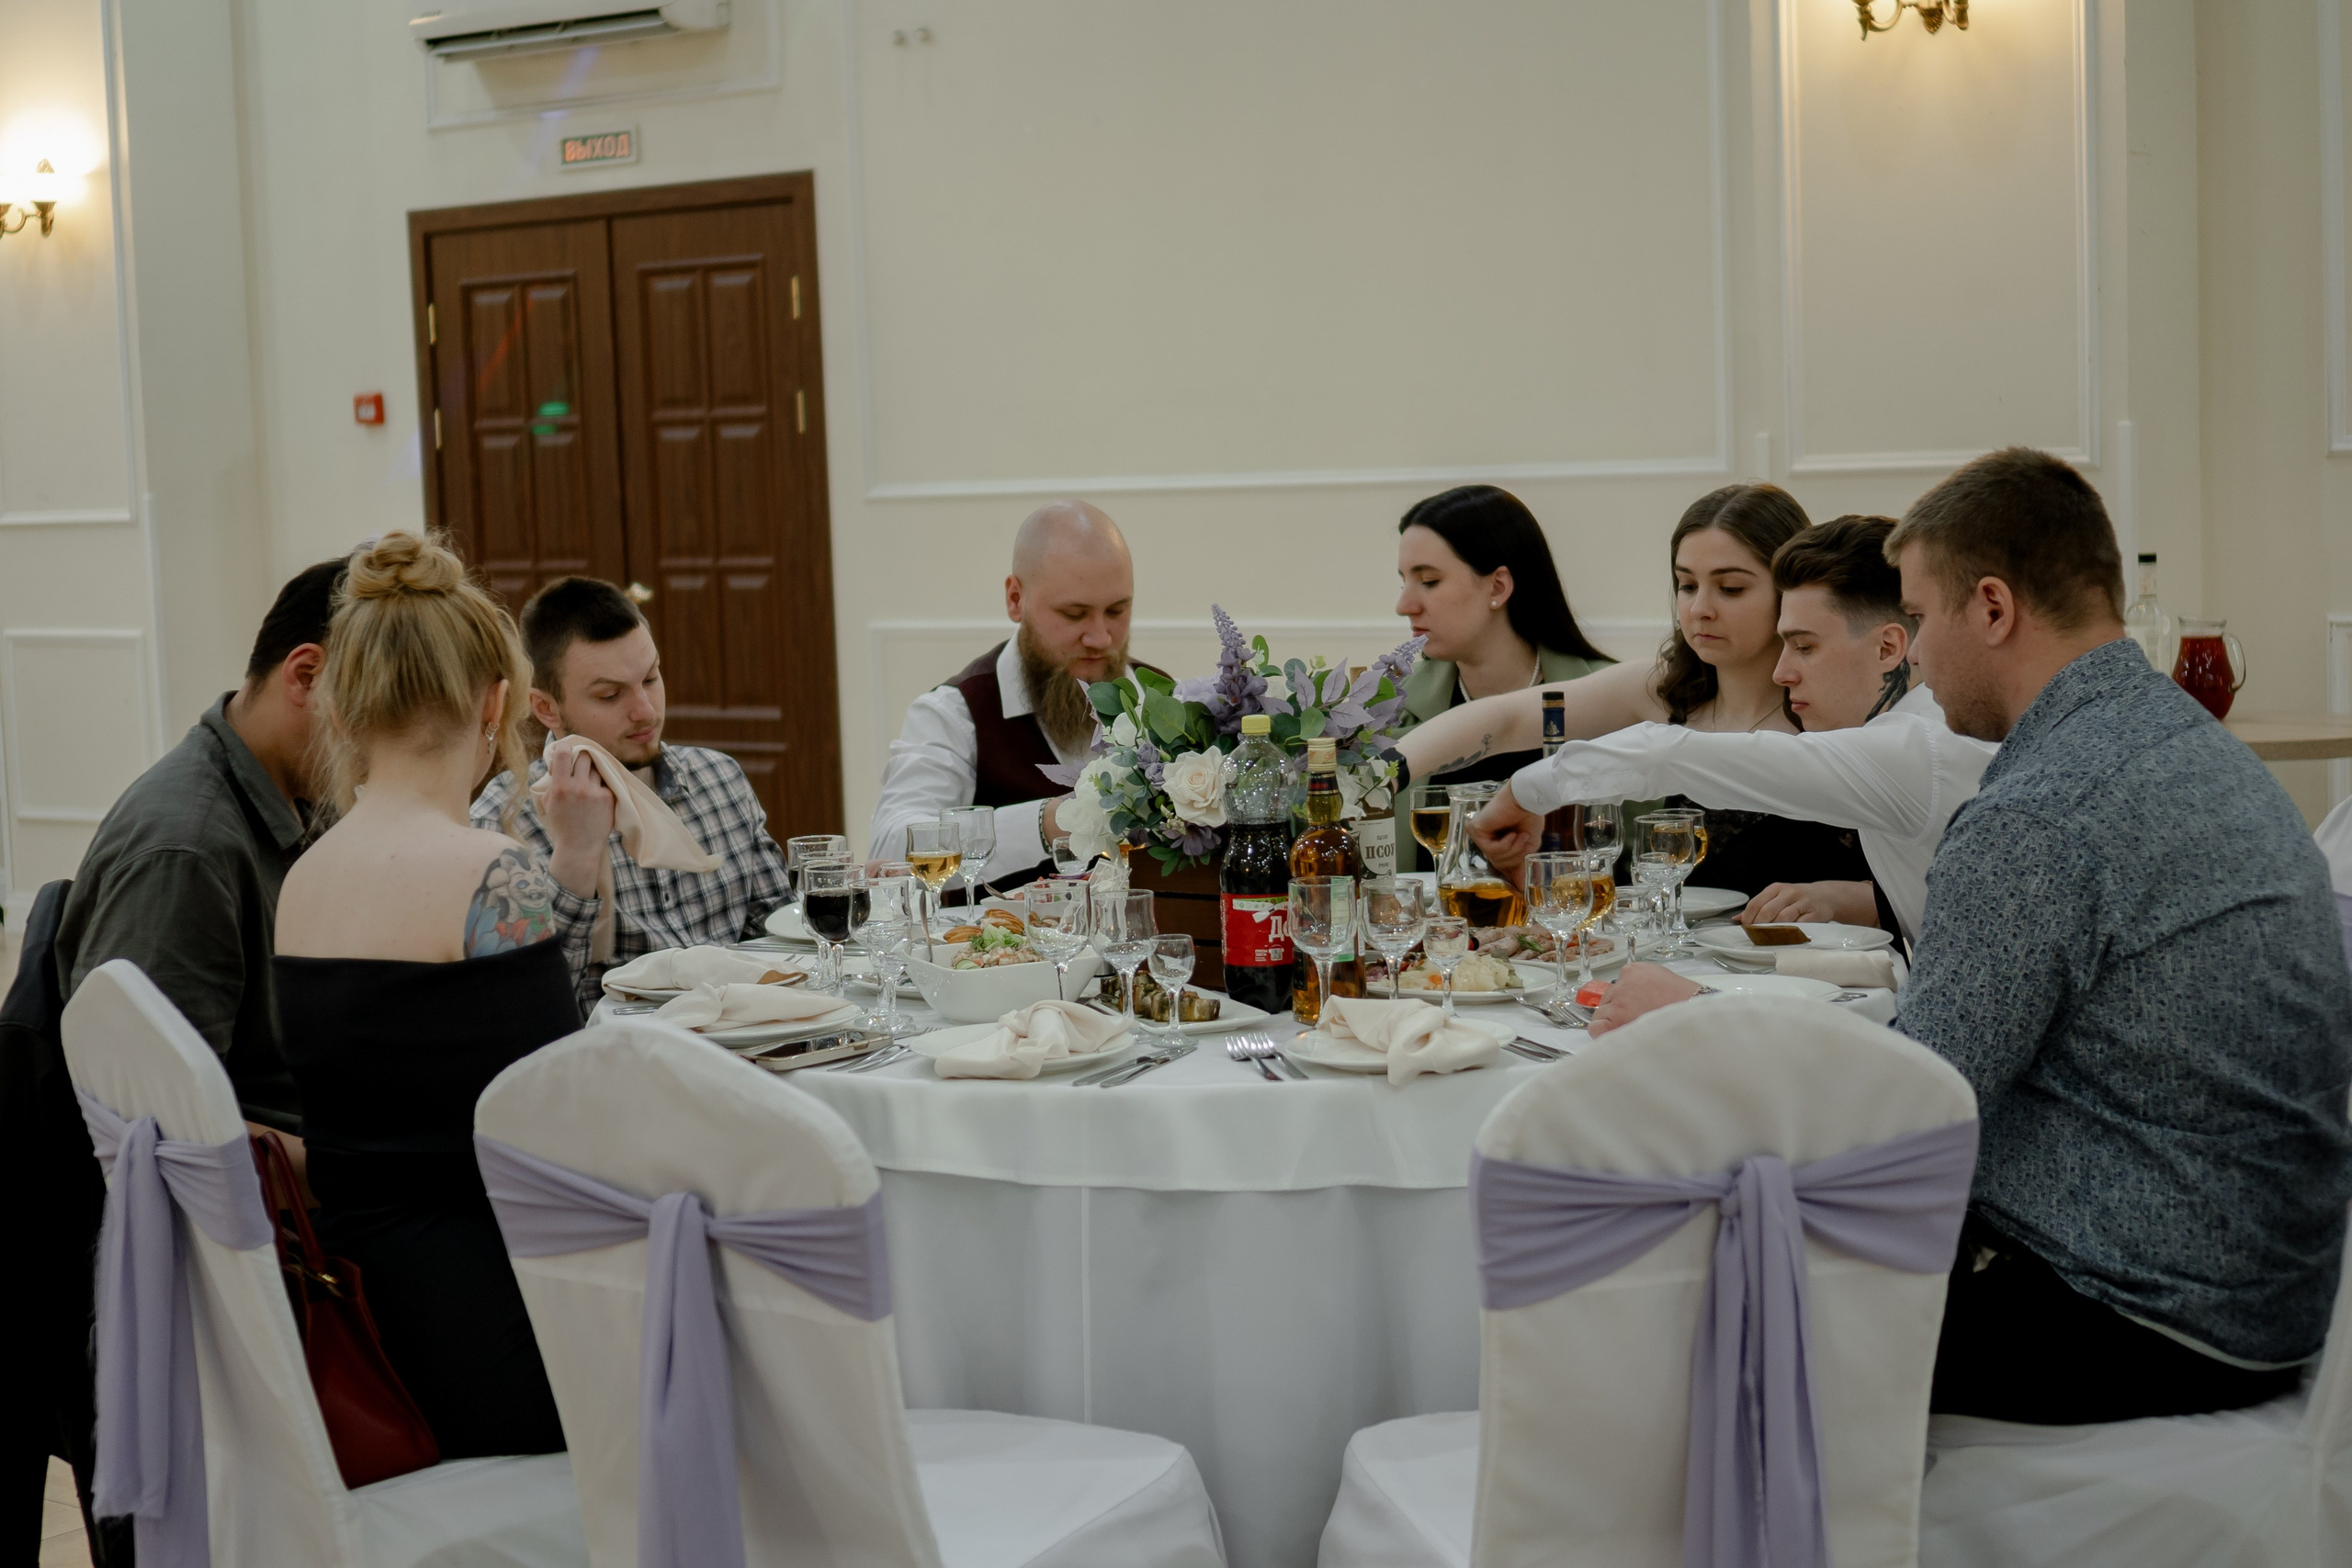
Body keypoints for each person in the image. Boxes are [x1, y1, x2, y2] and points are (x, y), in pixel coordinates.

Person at [1589, 448, 2352, 1424]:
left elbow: (1910, 1103)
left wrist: (1696, 1018)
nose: (1910, 651)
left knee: (1684, 1301)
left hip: (2138, 1309)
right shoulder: (2189, 744)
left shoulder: (2040, 811)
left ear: (1991, 609)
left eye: (1916, 618)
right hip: (2267, 1279)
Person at [274, 532, 569, 1460]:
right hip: (489, 1323)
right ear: (495, 702)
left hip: (349, 1316)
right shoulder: (495, 874)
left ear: (349, 707)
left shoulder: (304, 879)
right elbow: (564, 1125)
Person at [1459, 517, 1998, 945]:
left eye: (1805, 646)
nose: (1783, 671)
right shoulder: (1923, 730)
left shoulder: (1910, 748)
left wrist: (1524, 792)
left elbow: (1667, 756)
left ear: (1888, 648)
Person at [1401, 483, 1875, 898]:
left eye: (1730, 588)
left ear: (1788, 589)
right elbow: (1502, 719)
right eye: (1686, 586)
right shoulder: (1663, 690)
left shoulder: (1838, 702)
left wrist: (1855, 901)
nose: (1700, 609)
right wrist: (1383, 773)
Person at [54, 556, 345, 1134]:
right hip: (275, 1217)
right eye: (380, 708)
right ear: (305, 677)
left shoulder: (303, 793)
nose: (386, 739)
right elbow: (152, 1128)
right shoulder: (186, 851)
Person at [471, 576, 791, 1010]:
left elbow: (783, 936)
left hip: (750, 1047)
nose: (645, 711)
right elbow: (526, 1006)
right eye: (610, 695)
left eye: (652, 678)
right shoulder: (504, 821)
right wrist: (576, 854)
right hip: (620, 1064)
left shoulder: (720, 778)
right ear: (546, 708)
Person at [870, 500, 1134, 886]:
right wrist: (1048, 822)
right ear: (1015, 599)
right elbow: (892, 847)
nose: (1099, 637)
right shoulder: (954, 714)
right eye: (1074, 614)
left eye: (1116, 611)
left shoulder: (1163, 702)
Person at [1390, 485, 1614, 868]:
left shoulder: (1608, 702)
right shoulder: (1392, 713)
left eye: (1428, 581)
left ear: (1498, 586)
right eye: (1404, 581)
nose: (1403, 606)